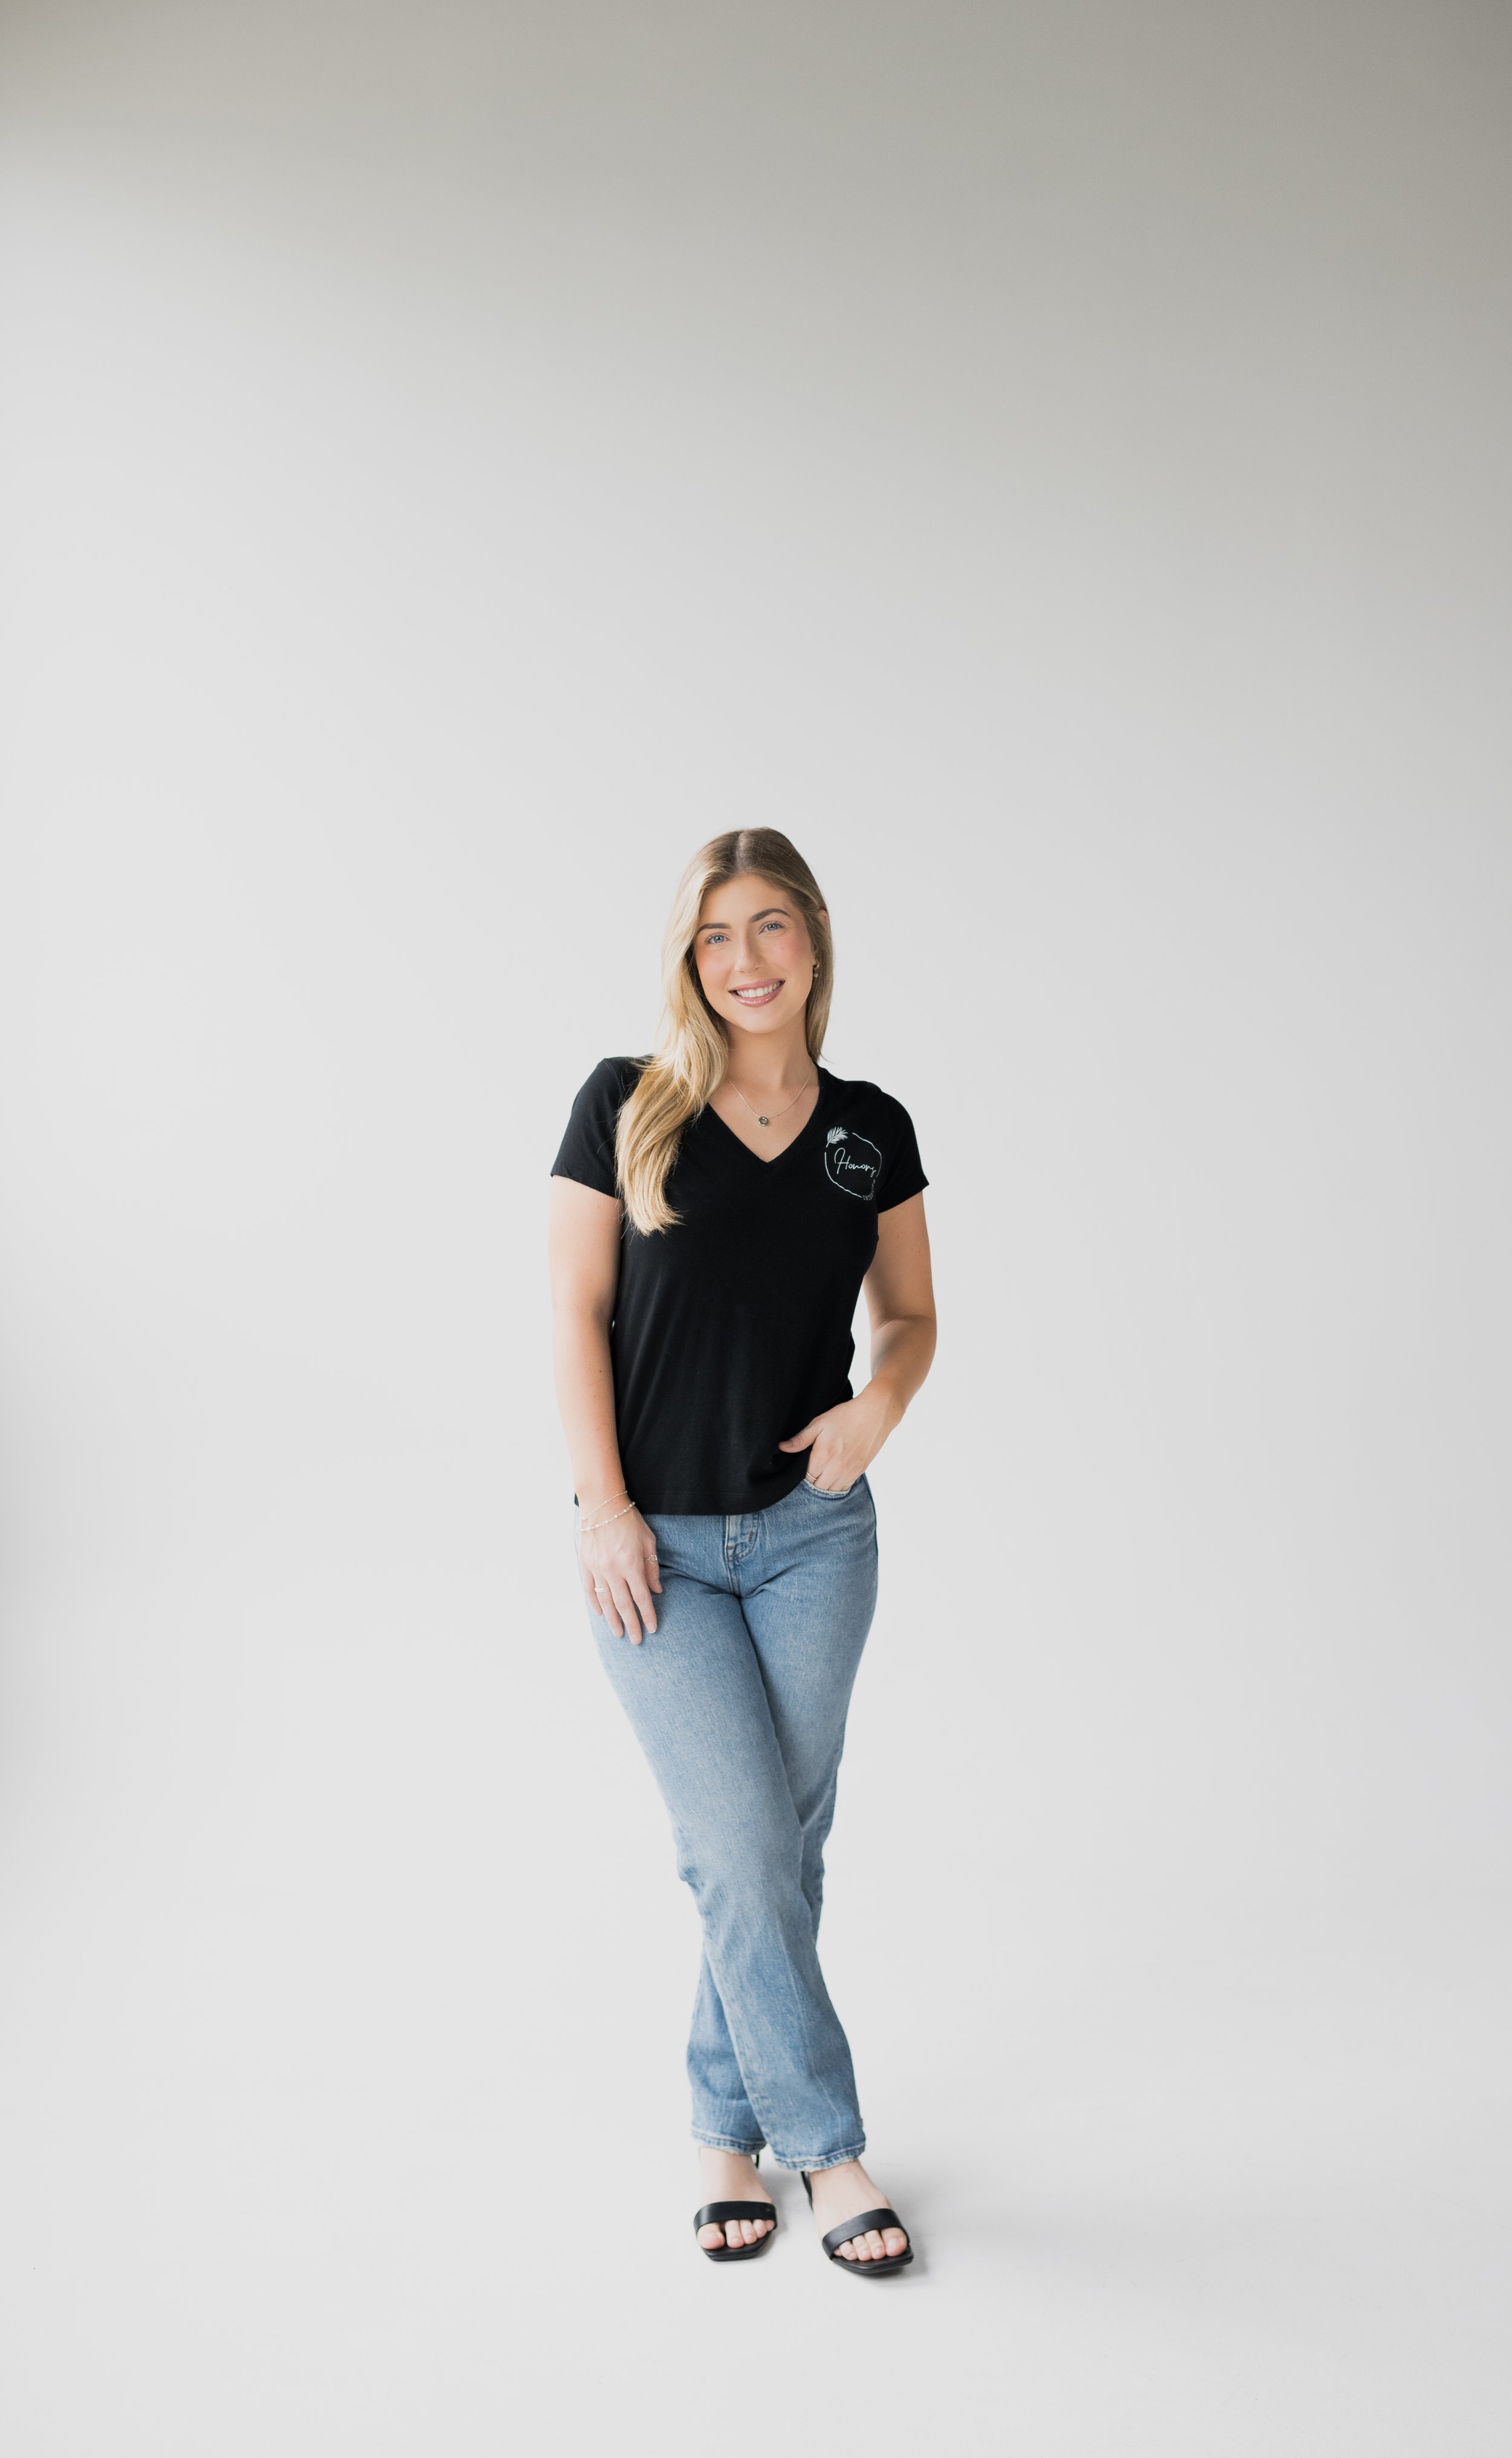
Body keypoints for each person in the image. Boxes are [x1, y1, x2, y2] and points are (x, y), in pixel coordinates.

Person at [547, 828, 936, 2275]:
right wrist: (601, 1509)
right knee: (741, 1846)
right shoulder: (625, 1103)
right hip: (654, 1546)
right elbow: (573, 1313)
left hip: (812, 1542)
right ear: (688, 959)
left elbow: (910, 1317)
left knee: (779, 1846)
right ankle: (826, 2149)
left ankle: (724, 2129)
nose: (745, 959)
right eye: (715, 935)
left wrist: (877, 1405)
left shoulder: (869, 1128)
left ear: (811, 940)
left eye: (769, 925)